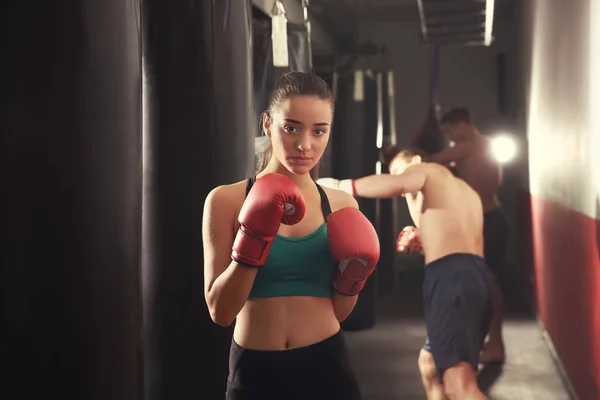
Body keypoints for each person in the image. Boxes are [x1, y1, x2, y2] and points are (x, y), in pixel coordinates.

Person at [202, 72, 380, 400]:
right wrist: (254, 238)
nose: (305, 145)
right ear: (267, 124)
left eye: (319, 131)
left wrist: (354, 278)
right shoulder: (226, 201)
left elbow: (337, 311)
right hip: (256, 370)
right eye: (292, 127)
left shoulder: (340, 205)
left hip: (327, 365)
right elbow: (220, 311)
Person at [318, 149, 493, 400]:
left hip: (450, 280)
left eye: (401, 170)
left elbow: (399, 184)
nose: (403, 184)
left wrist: (339, 186)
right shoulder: (466, 192)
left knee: (459, 386)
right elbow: (460, 246)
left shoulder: (426, 169)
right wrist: (424, 241)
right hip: (474, 277)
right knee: (430, 365)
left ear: (416, 161)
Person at [428, 106, 508, 364]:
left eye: (451, 132)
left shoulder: (471, 145)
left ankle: (492, 344)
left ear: (463, 124)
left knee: (488, 284)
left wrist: (408, 158)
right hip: (487, 218)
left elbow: (433, 161)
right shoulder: (484, 145)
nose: (452, 138)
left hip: (489, 221)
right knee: (483, 283)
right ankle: (488, 342)